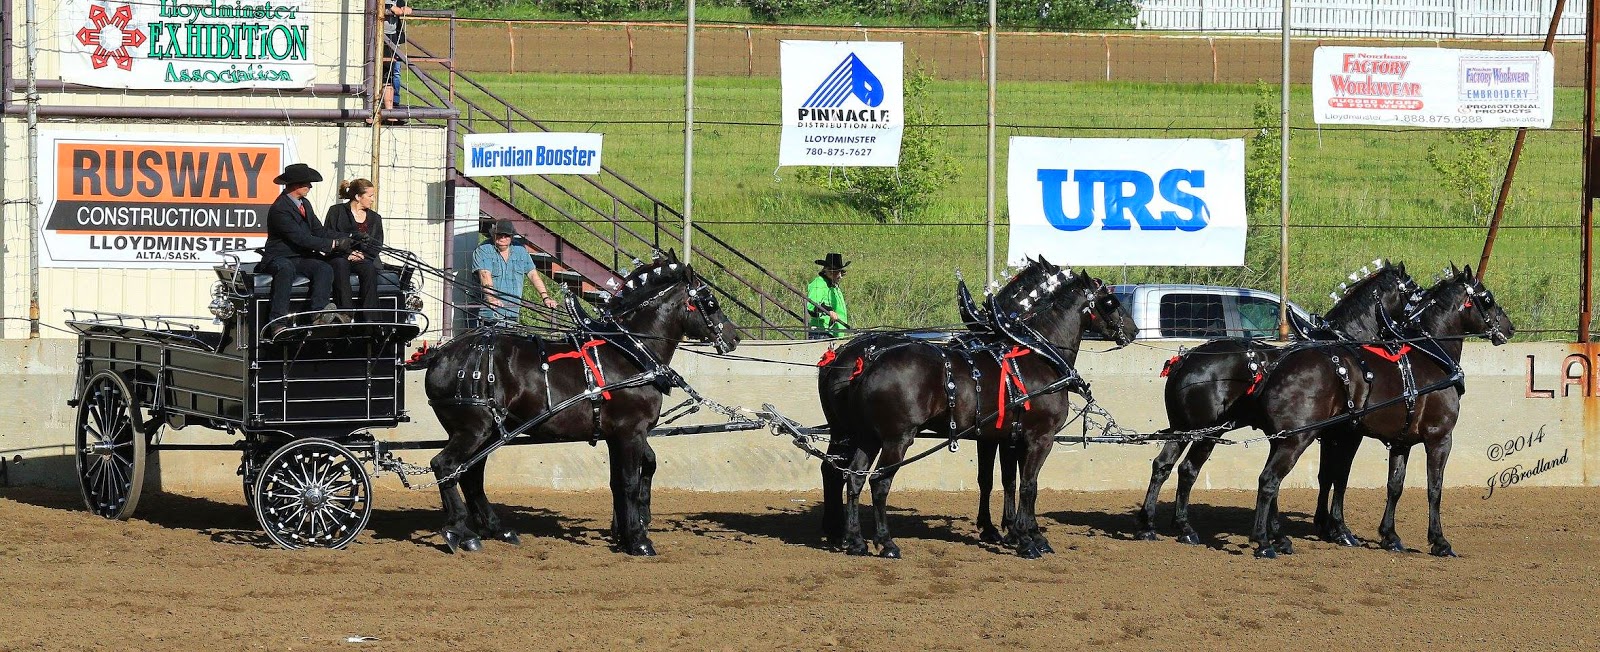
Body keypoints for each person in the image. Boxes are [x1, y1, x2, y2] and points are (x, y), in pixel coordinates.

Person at [260, 163, 351, 338]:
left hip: (299, 256)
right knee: (285, 269)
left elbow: (319, 230)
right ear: (295, 185)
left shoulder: (305, 204)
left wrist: (347, 236)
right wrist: (333, 245)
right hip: (279, 257)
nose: (310, 186)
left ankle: (318, 314)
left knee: (323, 268)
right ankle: (278, 323)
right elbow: (301, 238)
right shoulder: (280, 209)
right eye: (307, 183)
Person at [473, 219, 560, 327]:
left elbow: (533, 275)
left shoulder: (520, 251)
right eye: (500, 234)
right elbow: (484, 275)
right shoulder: (484, 250)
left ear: (512, 236)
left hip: (512, 313)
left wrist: (545, 297)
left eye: (507, 235)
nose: (503, 238)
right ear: (493, 234)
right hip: (489, 314)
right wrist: (491, 298)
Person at [323, 179, 385, 322]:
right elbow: (327, 234)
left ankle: (371, 318)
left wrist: (363, 255)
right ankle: (345, 312)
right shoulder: (336, 211)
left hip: (363, 258)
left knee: (369, 269)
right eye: (370, 196)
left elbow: (377, 243)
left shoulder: (375, 218)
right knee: (340, 265)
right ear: (358, 197)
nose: (373, 200)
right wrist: (348, 253)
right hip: (340, 255)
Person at [381, 0, 413, 123]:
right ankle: (372, 112)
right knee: (378, 74)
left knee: (390, 74)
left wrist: (404, 8)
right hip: (377, 35)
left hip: (392, 36)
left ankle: (390, 111)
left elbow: (400, 6)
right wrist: (390, 7)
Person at [806, 252, 850, 339]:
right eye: (837, 272)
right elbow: (812, 306)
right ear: (828, 271)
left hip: (834, 334)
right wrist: (828, 310)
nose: (840, 276)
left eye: (841, 272)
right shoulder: (818, 283)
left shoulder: (834, 287)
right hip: (821, 333)